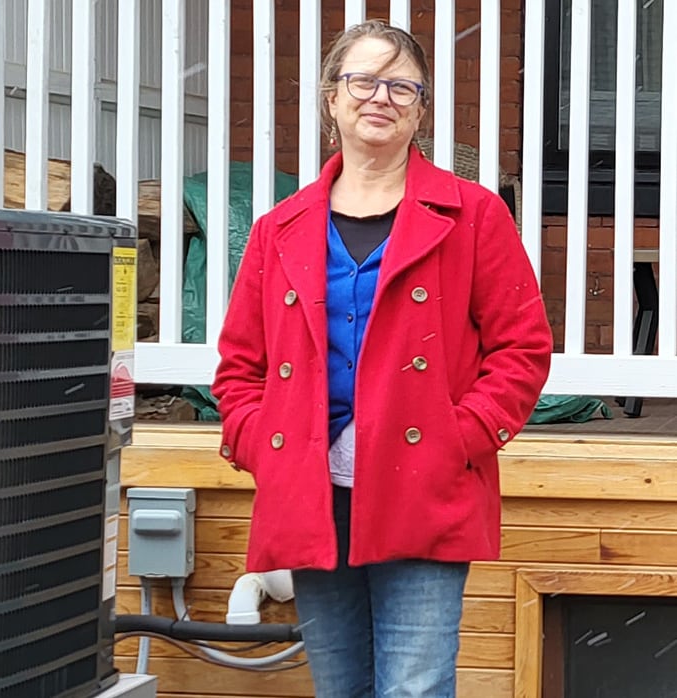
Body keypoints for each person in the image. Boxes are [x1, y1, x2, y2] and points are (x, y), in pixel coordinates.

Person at [210, 19, 552, 698]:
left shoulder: (473, 215)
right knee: (341, 688)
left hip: (424, 484)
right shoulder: (279, 229)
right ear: (331, 98)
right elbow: (238, 368)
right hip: (310, 493)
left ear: (421, 108)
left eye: (402, 86)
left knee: (415, 689)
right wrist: (266, 446)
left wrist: (460, 438)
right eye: (363, 80)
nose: (381, 97)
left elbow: (522, 348)